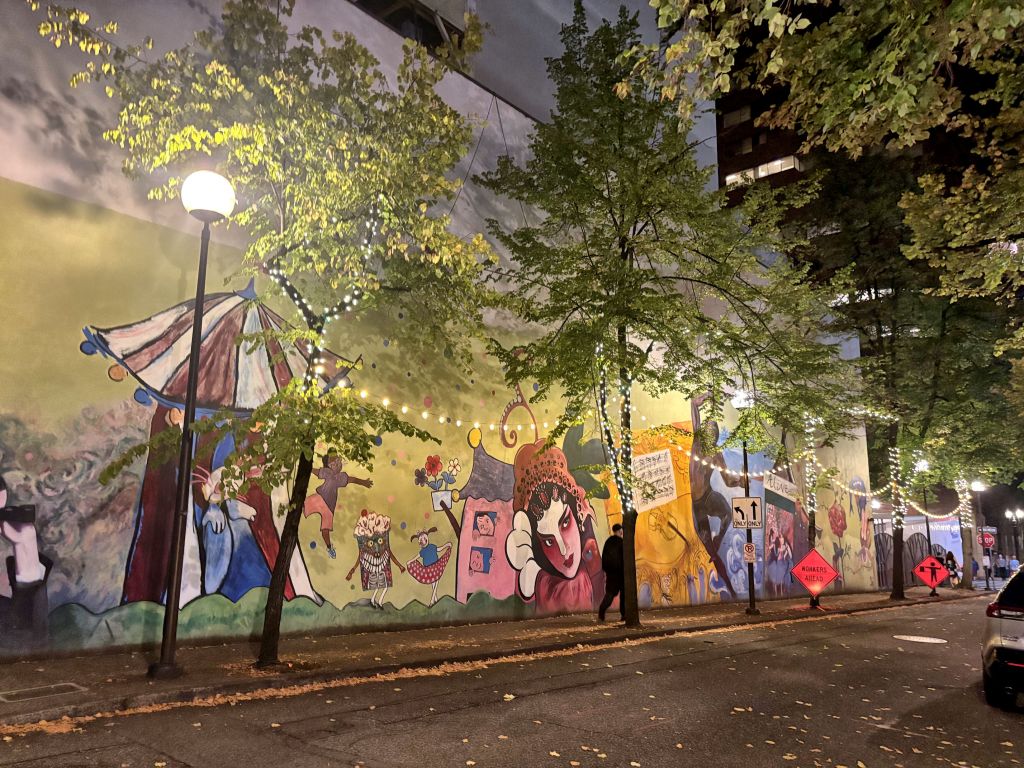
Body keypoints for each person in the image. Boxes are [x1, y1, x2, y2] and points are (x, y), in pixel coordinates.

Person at [598, 524, 625, 622]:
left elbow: (604, 558)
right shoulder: (622, 543)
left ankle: (601, 612)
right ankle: (624, 615)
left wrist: (608, 570)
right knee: (623, 596)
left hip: (611, 574)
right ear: (620, 531)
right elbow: (624, 559)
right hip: (621, 574)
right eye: (621, 530)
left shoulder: (608, 542)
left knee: (610, 594)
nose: (622, 532)